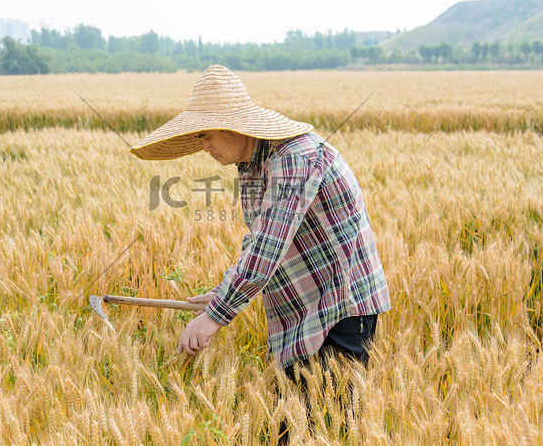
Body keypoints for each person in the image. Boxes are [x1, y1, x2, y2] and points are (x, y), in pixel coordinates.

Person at [130, 64, 390, 375]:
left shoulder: (293, 158)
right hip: (306, 305)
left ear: (233, 127)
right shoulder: (252, 163)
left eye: (206, 135)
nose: (204, 146)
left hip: (339, 308)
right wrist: (222, 291)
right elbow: (257, 238)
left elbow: (269, 246)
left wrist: (215, 316)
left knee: (330, 420)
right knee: (296, 421)